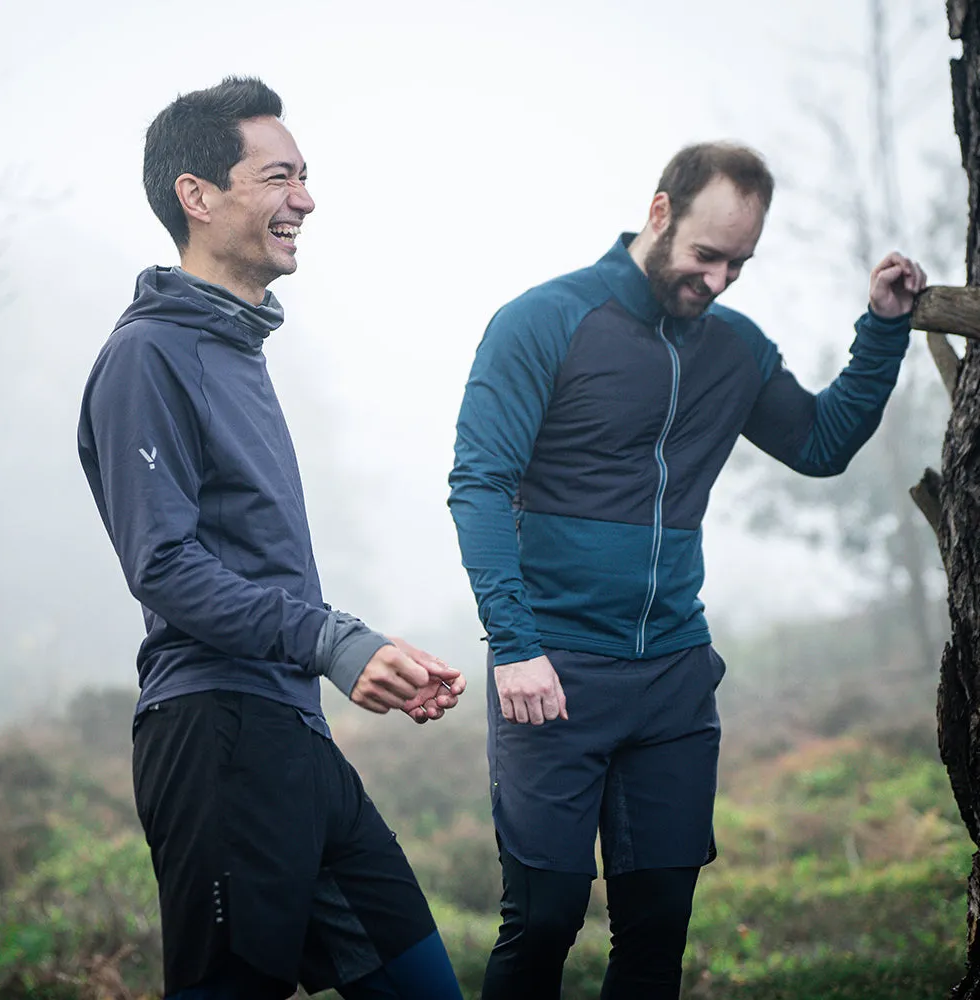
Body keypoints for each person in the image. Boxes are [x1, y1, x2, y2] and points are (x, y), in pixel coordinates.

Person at [448, 141, 926, 999]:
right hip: (553, 670)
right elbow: (478, 483)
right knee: (545, 921)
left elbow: (820, 445)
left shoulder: (732, 349)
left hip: (672, 675)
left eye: (739, 263)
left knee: (658, 931)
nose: (719, 280)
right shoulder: (542, 322)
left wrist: (882, 329)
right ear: (659, 212)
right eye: (707, 256)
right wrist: (513, 643)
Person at [77, 76, 466, 1000]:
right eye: (280, 176)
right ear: (198, 196)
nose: (307, 199)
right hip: (215, 741)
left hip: (293, 734)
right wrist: (331, 641)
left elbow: (252, 563)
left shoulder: (234, 351)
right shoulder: (149, 355)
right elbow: (164, 565)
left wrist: (361, 647)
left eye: (306, 176)